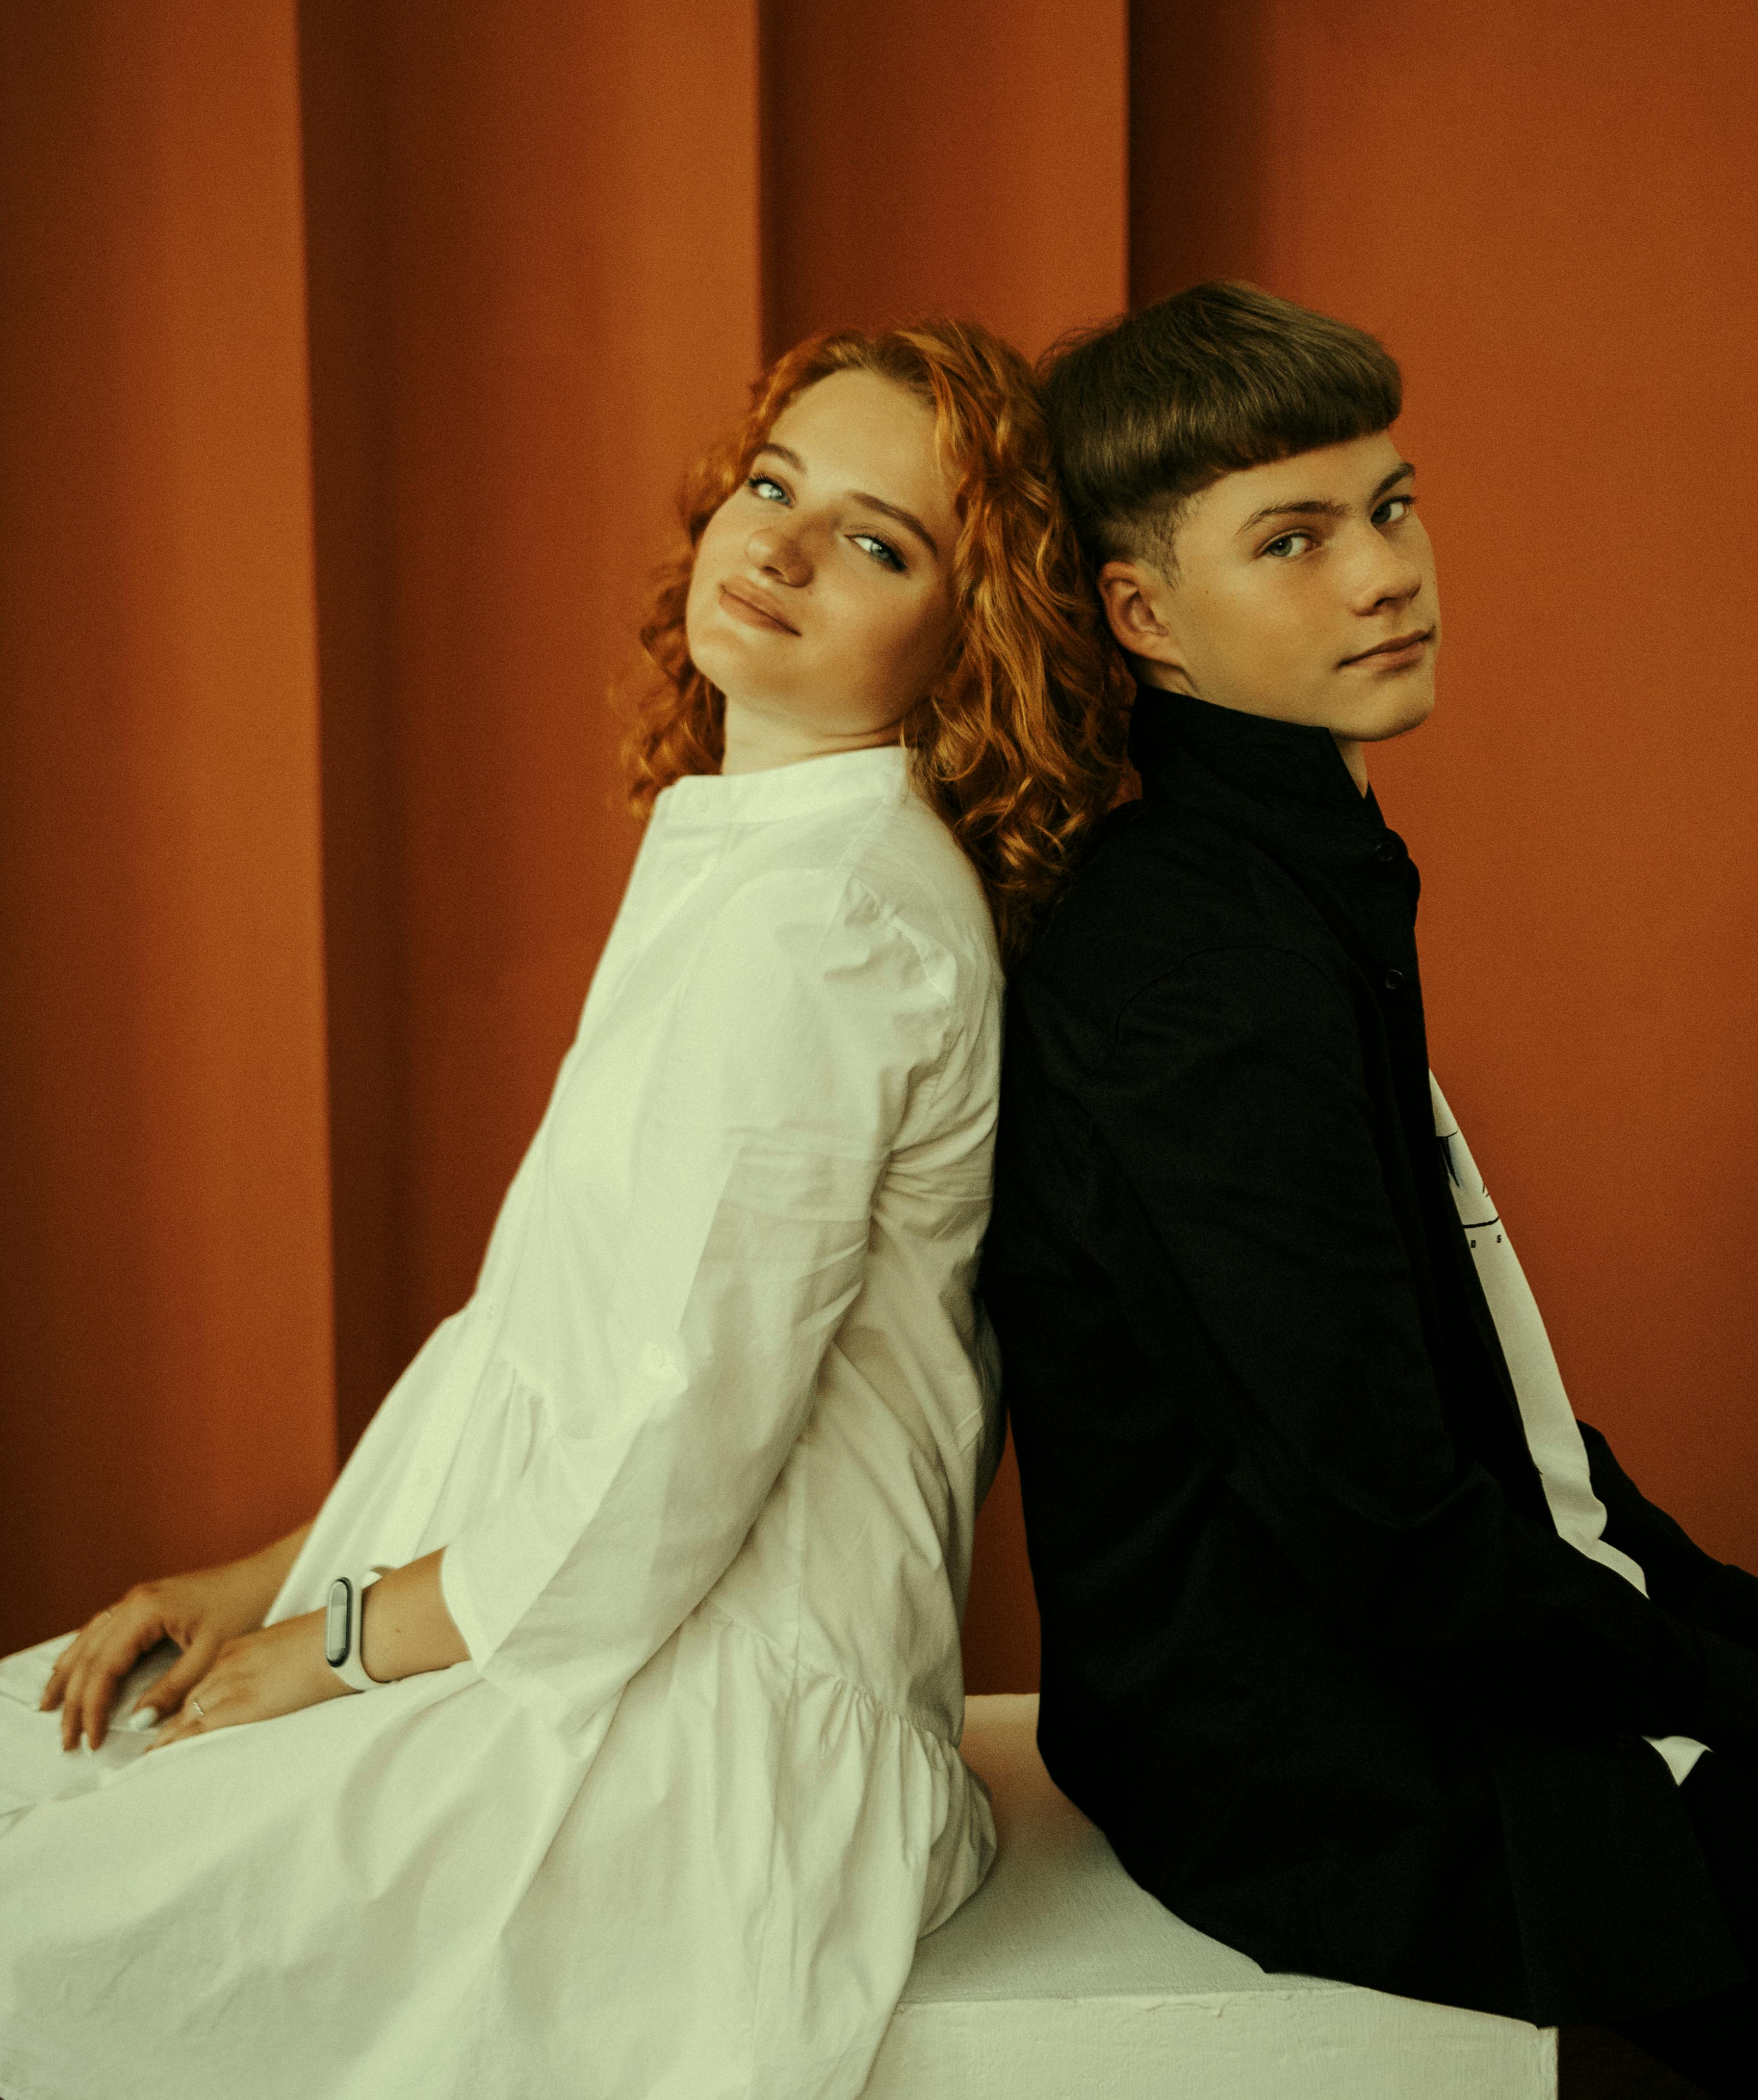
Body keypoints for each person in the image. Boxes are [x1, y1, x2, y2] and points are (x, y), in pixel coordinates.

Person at [0, 321, 1121, 2100]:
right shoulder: (764, 847)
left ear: (966, 638)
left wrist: (341, 1640)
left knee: (43, 1934)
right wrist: (267, 1581)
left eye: (878, 539)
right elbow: (550, 1356)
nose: (782, 545)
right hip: (572, 1635)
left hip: (696, 1738)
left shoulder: (827, 921)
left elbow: (661, 1451)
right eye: (774, 486)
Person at [981, 281, 1758, 2095]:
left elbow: (1490, 1411)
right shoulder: (1196, 966)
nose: (1385, 573)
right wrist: (1738, 1701)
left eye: (1391, 507)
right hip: (1336, 1759)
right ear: (1146, 615)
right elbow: (1388, 1528)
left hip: (1463, 1659)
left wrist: (1757, 1660)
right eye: (1293, 539)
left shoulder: (1295, 871)